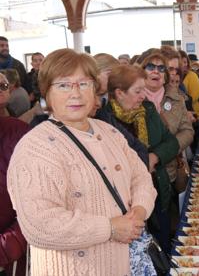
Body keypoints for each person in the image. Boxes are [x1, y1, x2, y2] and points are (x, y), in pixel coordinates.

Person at [7, 48, 157, 276]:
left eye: (84, 84)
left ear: (95, 90)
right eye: (63, 85)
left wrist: (138, 211)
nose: (75, 94)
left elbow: (140, 177)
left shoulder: (108, 132)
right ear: (47, 93)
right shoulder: (34, 147)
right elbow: (39, 225)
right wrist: (110, 228)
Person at [107, 64, 179, 253]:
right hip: (127, 208)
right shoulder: (104, 121)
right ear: (119, 93)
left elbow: (171, 142)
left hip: (157, 189)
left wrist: (155, 156)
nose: (143, 96)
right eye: (138, 91)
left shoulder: (147, 110)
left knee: (163, 247)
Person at [0, 75, 30, 276]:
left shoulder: (17, 132)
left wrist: (6, 247)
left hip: (10, 255)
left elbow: (37, 201)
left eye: (2, 85)